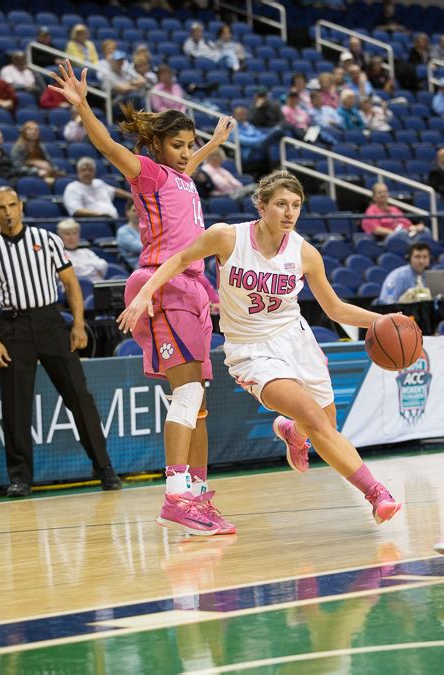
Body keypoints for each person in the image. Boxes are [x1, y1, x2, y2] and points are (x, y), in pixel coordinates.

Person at [118, 169, 403, 526]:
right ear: (261, 205)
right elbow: (177, 260)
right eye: (281, 204)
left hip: (297, 341)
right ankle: (377, 493)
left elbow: (334, 308)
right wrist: (146, 292)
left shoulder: (305, 253)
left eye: (296, 205)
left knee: (323, 424)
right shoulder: (227, 237)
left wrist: (382, 319)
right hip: (252, 350)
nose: (289, 213)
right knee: (314, 417)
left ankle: (290, 431)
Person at [49, 60, 236, 536]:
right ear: (155, 146)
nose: (184, 153)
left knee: (199, 404)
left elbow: (189, 166)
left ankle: (196, 494)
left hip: (191, 289)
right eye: (177, 145)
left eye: (188, 146)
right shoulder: (149, 173)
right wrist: (83, 107)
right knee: (187, 393)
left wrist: (212, 143)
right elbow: (108, 146)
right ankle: (176, 496)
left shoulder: (183, 176)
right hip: (161, 283)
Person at [0, 186, 122, 497]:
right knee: (15, 406)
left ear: (21, 206)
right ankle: (20, 479)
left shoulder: (48, 240)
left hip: (50, 321)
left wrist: (78, 324)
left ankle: (103, 467)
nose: (8, 212)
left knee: (79, 397)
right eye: (1, 208)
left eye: (13, 205)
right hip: (13, 328)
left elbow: (71, 283)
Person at [63, 156, 131, 218]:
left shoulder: (99, 183)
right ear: (78, 172)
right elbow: (76, 210)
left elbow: (114, 191)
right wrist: (100, 214)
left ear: (95, 172)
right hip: (94, 221)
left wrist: (132, 197)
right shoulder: (72, 187)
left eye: (90, 170)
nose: (87, 173)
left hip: (112, 219)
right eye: (84, 170)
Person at [362, 183, 430, 241]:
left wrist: (415, 227)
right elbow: (376, 230)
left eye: (385, 192)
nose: (383, 195)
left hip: (404, 234)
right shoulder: (371, 211)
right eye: (379, 192)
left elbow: (406, 223)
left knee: (425, 230)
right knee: (402, 233)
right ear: (374, 197)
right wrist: (395, 233)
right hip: (386, 238)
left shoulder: (394, 209)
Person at [57, 218, 108, 283]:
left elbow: (103, 265)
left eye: (74, 233)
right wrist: (91, 266)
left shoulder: (87, 252)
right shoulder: (58, 254)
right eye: (67, 234)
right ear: (60, 236)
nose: (72, 237)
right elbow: (70, 272)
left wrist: (79, 267)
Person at [117, 201, 142, 269]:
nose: (137, 213)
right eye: (134, 210)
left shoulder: (148, 229)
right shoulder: (123, 231)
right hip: (136, 267)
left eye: (139, 210)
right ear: (127, 212)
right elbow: (139, 248)